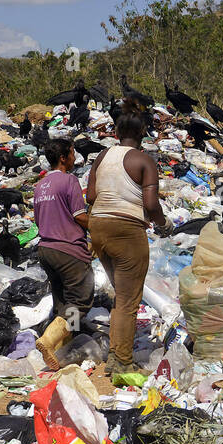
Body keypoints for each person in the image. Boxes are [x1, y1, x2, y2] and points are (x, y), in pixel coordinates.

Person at [87, 98, 166, 375]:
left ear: (117, 133)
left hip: (98, 228)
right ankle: (122, 361)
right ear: (142, 132)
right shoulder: (144, 160)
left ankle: (114, 356)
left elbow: (91, 196)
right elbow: (152, 204)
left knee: (122, 296)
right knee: (129, 299)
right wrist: (164, 224)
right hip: (126, 230)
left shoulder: (102, 157)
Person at [32, 138, 93, 368]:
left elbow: (39, 221)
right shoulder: (69, 181)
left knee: (64, 303)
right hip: (69, 251)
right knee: (80, 301)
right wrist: (100, 225)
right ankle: (48, 340)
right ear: (63, 158)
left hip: (46, 250)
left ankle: (64, 349)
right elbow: (79, 215)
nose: (76, 156)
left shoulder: (41, 186)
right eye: (73, 152)